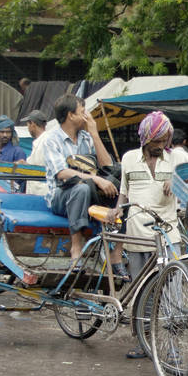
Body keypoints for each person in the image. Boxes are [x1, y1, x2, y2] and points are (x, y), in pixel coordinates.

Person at [113, 112, 184, 358]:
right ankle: (144, 343)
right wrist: (116, 210)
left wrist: (177, 181)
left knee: (171, 294)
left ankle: (174, 348)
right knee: (142, 292)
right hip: (136, 234)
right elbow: (124, 193)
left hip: (167, 234)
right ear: (145, 139)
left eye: (164, 141)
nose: (160, 146)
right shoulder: (129, 159)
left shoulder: (176, 160)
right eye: (156, 142)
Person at [44, 94, 120, 262]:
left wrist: (94, 133)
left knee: (117, 188)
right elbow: (61, 173)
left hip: (89, 194)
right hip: (61, 196)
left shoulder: (86, 137)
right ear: (71, 115)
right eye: (83, 112)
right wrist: (96, 179)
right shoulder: (52, 140)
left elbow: (107, 166)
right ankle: (76, 246)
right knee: (82, 188)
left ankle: (116, 251)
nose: (87, 116)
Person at [0, 115, 27, 191]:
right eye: (2, 132)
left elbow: (20, 178)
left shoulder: (18, 152)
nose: (5, 135)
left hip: (12, 195)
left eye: (8, 132)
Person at [22, 110, 51, 197]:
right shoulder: (40, 141)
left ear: (32, 124)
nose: (28, 128)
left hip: (42, 191)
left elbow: (38, 166)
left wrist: (25, 165)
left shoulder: (46, 141)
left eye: (28, 125)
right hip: (36, 191)